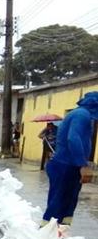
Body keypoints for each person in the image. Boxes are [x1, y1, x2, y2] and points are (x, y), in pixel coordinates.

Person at [42, 91, 98, 226]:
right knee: (59, 200)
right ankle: (46, 232)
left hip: (70, 165)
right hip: (65, 165)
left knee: (68, 200)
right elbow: (73, 139)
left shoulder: (81, 114)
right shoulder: (81, 115)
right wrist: (83, 165)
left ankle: (62, 232)